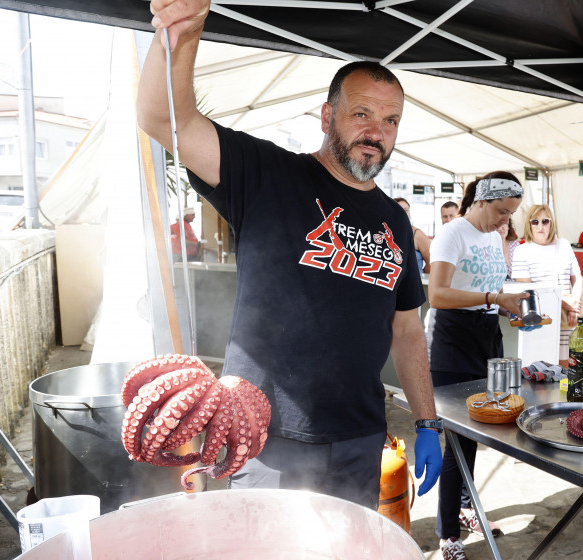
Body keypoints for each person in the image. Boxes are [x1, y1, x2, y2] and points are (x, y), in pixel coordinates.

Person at [138, 0, 442, 508]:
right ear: (328, 116)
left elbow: (407, 328)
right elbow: (164, 121)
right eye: (361, 114)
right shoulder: (268, 175)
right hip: (265, 439)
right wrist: (181, 33)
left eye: (390, 121)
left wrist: (427, 420)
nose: (376, 133)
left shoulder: (395, 220)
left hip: (358, 440)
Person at [426, 172, 527, 560]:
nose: (505, 222)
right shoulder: (453, 234)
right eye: (501, 212)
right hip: (452, 343)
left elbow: (487, 289)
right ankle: (448, 536)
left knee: (481, 430)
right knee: (457, 441)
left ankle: (466, 509)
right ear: (481, 201)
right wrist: (492, 298)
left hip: (486, 335)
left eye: (510, 216)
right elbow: (438, 294)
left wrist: (507, 309)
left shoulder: (491, 235)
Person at [511, 203, 583, 368]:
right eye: (535, 221)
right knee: (542, 367)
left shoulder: (564, 244)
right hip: (541, 317)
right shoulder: (522, 251)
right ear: (529, 225)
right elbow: (527, 291)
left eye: (545, 221)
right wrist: (565, 304)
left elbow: (577, 277)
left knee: (570, 365)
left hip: (570, 315)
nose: (540, 226)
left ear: (552, 223)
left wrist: (574, 306)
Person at [396, 197, 431, 273]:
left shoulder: (417, 235)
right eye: (400, 210)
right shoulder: (387, 234)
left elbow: (431, 264)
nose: (404, 213)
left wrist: (419, 277)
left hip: (414, 283)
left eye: (406, 210)